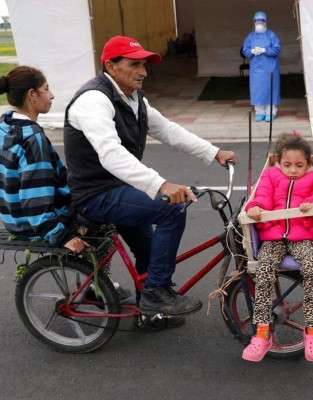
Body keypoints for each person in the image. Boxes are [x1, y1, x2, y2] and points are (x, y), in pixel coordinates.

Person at [63, 36, 237, 319]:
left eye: (144, 65)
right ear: (110, 65)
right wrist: (161, 185)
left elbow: (168, 130)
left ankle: (150, 313)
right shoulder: (94, 100)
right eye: (134, 65)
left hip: (120, 190)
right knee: (172, 209)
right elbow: (111, 154)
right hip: (95, 195)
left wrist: (213, 152)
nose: (143, 72)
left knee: (150, 251)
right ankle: (157, 292)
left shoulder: (133, 98)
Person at [242, 132, 313, 362]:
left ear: (308, 164)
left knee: (311, 269)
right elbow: (263, 195)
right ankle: (262, 332)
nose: (292, 170)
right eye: (287, 164)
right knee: (264, 270)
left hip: (302, 237)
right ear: (279, 161)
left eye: (299, 165)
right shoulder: (271, 175)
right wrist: (257, 206)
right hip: (274, 236)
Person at [0, 66, 90, 254]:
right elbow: (35, 195)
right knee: (105, 223)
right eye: (46, 89)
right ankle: (95, 282)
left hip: (13, 218)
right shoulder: (32, 139)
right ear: (32, 94)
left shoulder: (5, 127)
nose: (52, 95)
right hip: (34, 224)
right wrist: (59, 235)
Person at [242, 11, 281, 123]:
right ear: (254, 22)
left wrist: (265, 50)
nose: (259, 23)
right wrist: (252, 51)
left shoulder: (271, 35)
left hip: (270, 68)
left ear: (265, 22)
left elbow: (277, 48)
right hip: (256, 70)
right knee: (257, 90)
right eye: (257, 21)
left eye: (261, 21)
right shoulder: (250, 36)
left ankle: (270, 112)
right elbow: (245, 49)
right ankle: (259, 112)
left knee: (270, 89)